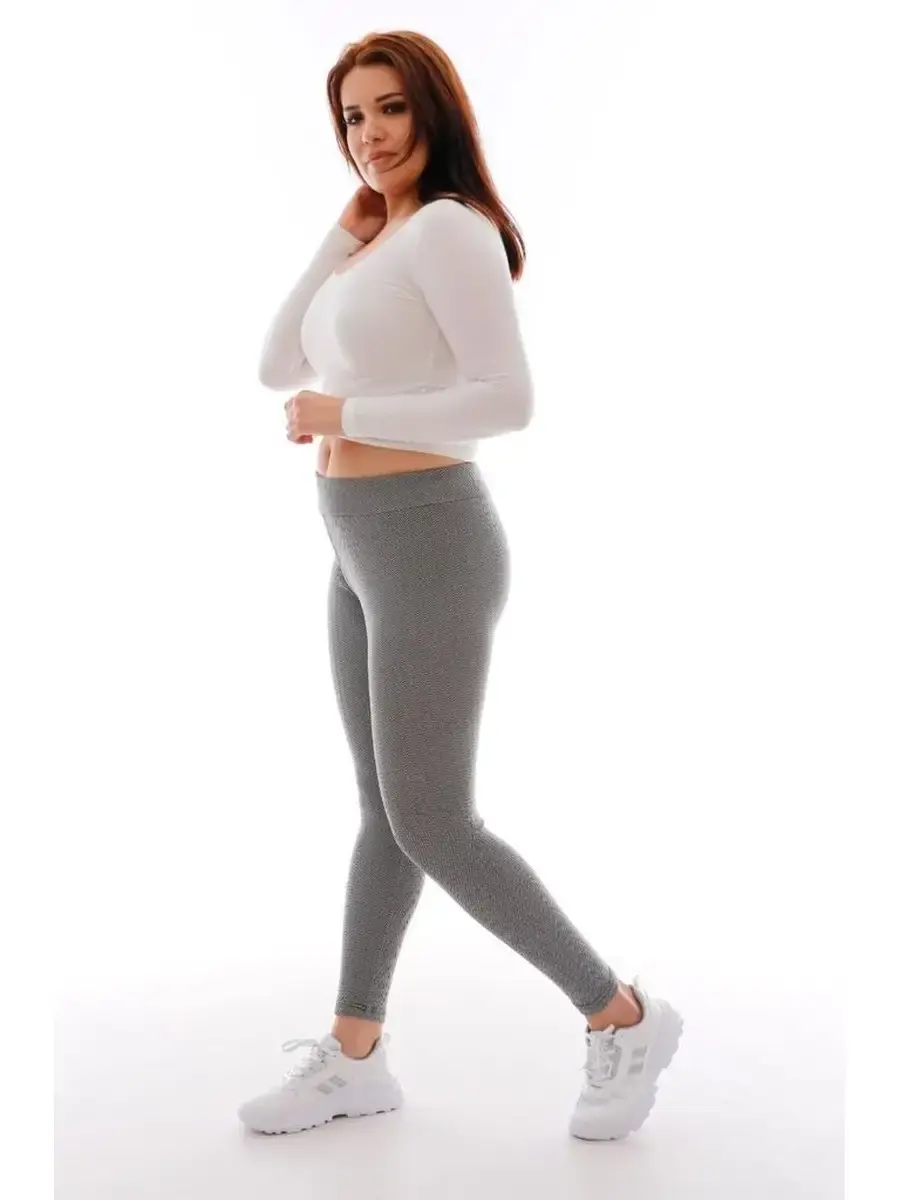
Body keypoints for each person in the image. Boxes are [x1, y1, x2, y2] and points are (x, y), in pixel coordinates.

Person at [238, 29, 683, 1141]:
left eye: (390, 108)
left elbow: (506, 399)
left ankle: (622, 1015)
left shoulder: (450, 227)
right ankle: (355, 1056)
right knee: (386, 812)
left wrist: (348, 413)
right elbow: (277, 365)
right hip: (352, 539)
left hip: (431, 538)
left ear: (434, 110)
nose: (370, 135)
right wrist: (341, 232)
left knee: (435, 820)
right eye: (352, 117)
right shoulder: (380, 240)